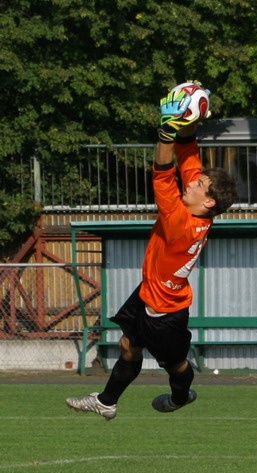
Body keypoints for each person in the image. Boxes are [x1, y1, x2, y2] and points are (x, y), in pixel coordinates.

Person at [66, 82, 237, 420]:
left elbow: (162, 174)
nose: (192, 182)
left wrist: (165, 132)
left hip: (166, 314)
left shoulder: (181, 222)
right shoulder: (197, 205)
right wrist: (187, 125)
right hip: (149, 295)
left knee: (176, 364)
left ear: (209, 201)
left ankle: (180, 396)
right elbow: (188, 155)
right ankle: (107, 402)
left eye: (199, 184)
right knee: (128, 346)